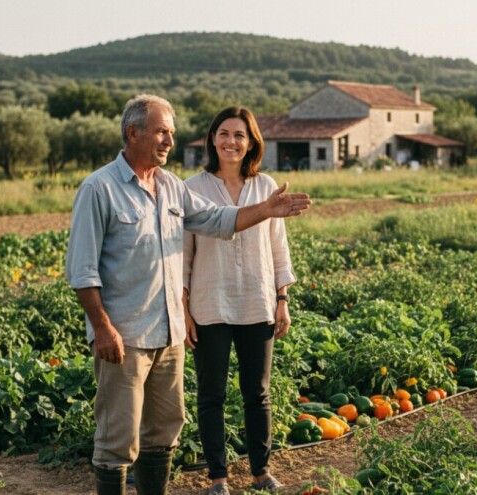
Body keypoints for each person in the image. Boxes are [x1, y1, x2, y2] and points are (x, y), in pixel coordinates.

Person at [65, 95, 309, 495]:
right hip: (125, 336)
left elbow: (216, 219)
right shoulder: (99, 188)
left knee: (164, 431)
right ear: (133, 132)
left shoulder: (171, 187)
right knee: (117, 438)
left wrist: (265, 210)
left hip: (169, 335)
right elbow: (82, 270)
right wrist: (102, 328)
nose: (169, 141)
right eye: (161, 132)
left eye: (172, 133)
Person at [183, 107, 294, 495]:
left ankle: (261, 472)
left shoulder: (265, 187)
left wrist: (282, 297)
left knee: (257, 393)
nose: (231, 141)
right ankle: (218, 478)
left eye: (239, 135)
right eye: (224, 133)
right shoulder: (192, 188)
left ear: (251, 143)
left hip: (256, 300)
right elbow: (183, 254)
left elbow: (278, 247)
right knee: (211, 394)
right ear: (212, 139)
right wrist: (183, 307)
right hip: (208, 302)